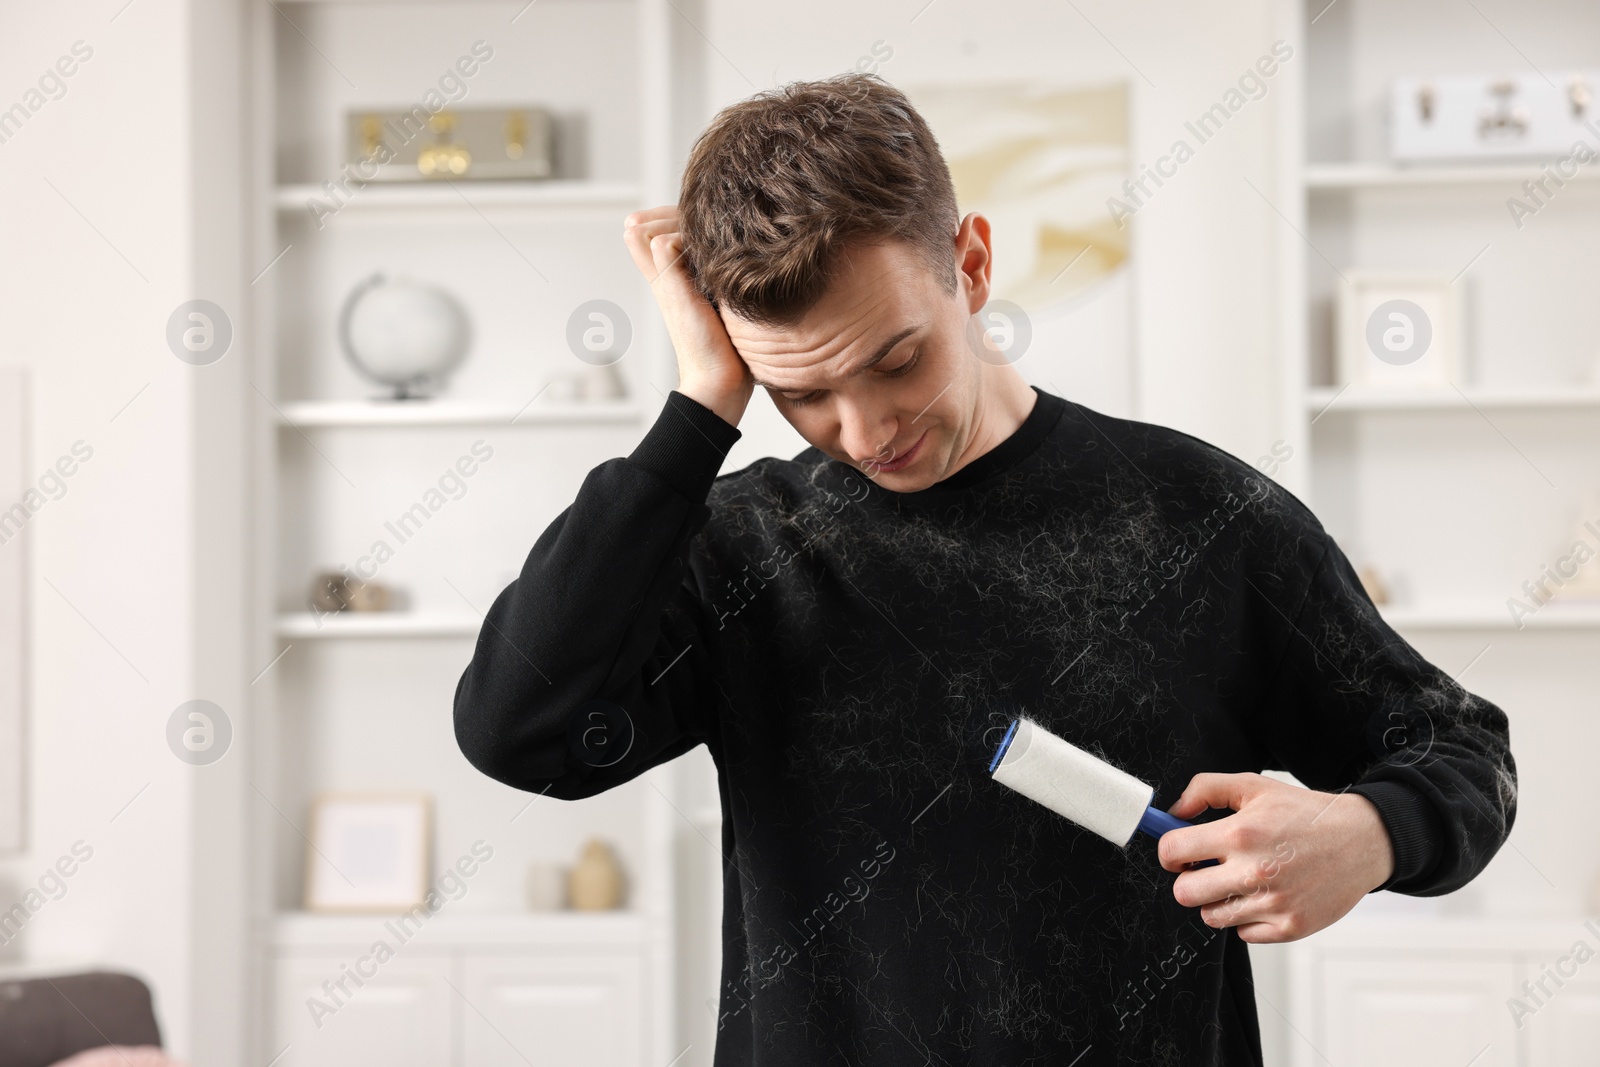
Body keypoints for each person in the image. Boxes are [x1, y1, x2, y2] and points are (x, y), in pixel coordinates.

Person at [453, 73, 1516, 1065]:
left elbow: (1461, 748)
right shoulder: (740, 543)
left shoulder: (1200, 513)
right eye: (800, 392)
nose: (864, 431)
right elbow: (521, 730)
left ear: (969, 264)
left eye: (895, 358)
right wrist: (696, 416)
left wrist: (1374, 832)